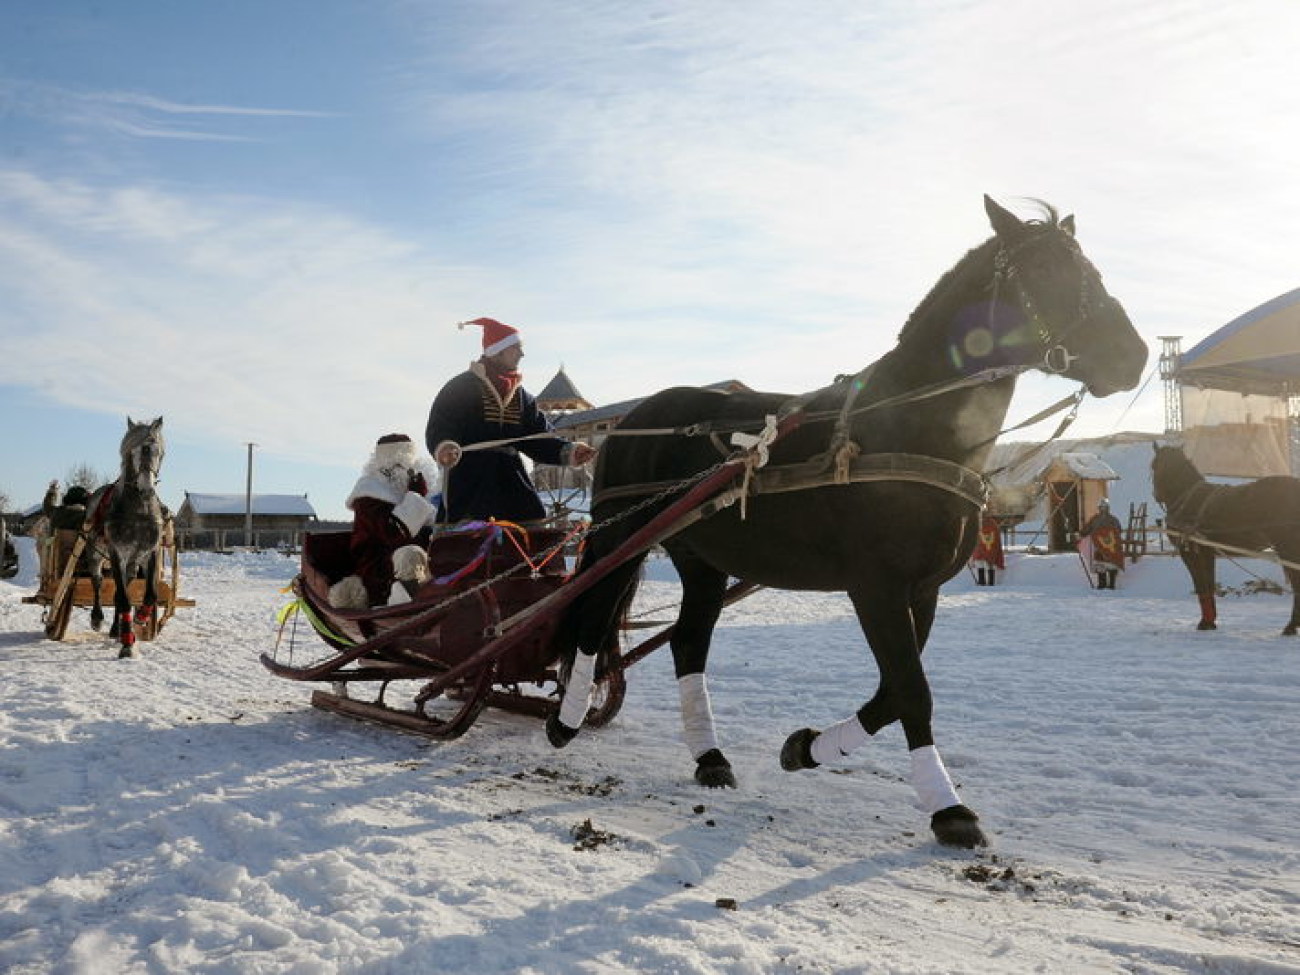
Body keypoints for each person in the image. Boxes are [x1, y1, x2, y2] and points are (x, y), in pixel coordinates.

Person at [425, 317, 595, 524]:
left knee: (534, 532)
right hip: (469, 482)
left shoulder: (522, 397)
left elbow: (538, 437)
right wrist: (445, 446)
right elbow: (441, 424)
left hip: (512, 482)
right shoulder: (460, 387)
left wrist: (568, 450)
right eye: (516, 348)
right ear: (498, 350)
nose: (522, 354)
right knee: (464, 540)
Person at [328, 434, 437, 609]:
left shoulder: (412, 490)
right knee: (410, 555)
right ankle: (403, 603)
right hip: (379, 569)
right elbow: (392, 533)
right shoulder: (369, 495)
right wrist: (415, 497)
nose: (409, 471)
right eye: (403, 465)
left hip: (420, 564)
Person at [1079, 498, 1124, 589]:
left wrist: (1082, 533)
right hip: (1109, 548)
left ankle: (1105, 585)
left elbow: (1085, 531)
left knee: (1104, 564)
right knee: (1108, 564)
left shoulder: (1097, 519)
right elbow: (1119, 531)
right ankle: (1109, 585)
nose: (1102, 509)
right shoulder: (1113, 519)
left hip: (1102, 547)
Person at [969, 513, 1005, 586]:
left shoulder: (977, 523)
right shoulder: (993, 523)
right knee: (990, 565)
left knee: (980, 564)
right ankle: (990, 583)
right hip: (991, 549)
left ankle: (982, 582)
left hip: (980, 549)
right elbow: (997, 539)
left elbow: (973, 536)